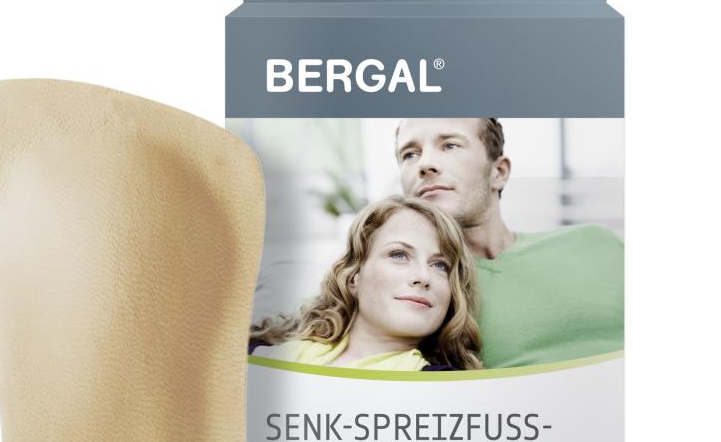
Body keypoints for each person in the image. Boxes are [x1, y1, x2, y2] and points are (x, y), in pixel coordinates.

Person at [394, 118, 624, 369]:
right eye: (410, 154)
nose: (424, 164)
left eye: (450, 145)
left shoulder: (596, 244)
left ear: (499, 172)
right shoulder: (411, 290)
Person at [251, 194, 481, 371]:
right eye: (399, 255)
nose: (423, 277)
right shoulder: (262, 354)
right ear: (354, 277)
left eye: (440, 265)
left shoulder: (446, 391)